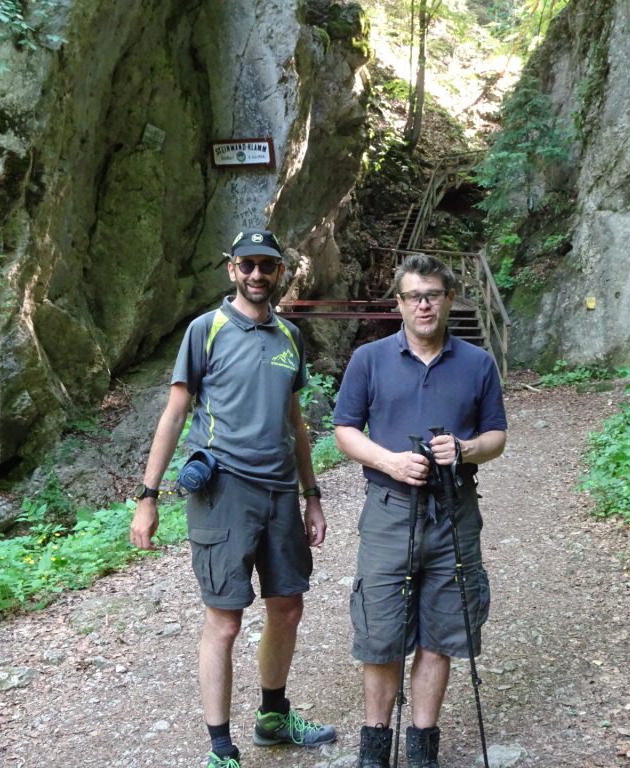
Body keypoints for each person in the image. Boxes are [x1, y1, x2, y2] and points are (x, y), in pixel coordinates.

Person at [130, 228, 336, 768]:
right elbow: (175, 413)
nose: (257, 275)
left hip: (279, 493)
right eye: (247, 265)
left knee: (287, 607)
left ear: (279, 272)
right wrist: (147, 496)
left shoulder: (290, 338)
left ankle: (272, 718)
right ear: (231, 270)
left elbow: (296, 424)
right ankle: (220, 748)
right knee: (225, 619)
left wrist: (311, 495)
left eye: (266, 266)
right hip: (223, 490)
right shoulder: (207, 330)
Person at [333, 252, 508, 768]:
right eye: (414, 296)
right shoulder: (370, 359)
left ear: (450, 299)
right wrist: (387, 461)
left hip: (455, 509)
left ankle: (422, 747)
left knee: (443, 628)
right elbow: (344, 430)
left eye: (433, 294)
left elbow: (497, 435)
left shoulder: (478, 363)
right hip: (389, 510)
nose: (424, 304)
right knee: (381, 631)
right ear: (400, 303)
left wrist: (467, 449)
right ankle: (373, 747)